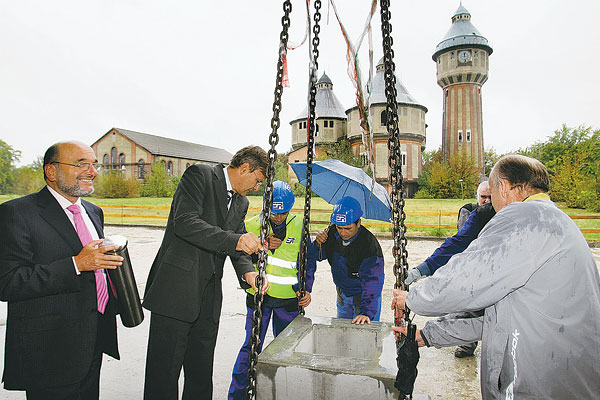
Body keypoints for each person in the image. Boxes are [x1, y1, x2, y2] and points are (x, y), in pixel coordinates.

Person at [393, 155, 600, 399]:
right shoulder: (556, 222)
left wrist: (412, 298)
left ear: (502, 186)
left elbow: (465, 279)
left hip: (537, 384)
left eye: (491, 193)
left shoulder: (522, 219)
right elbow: (499, 320)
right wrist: (428, 335)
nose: (490, 205)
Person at [143, 145, 270, 400]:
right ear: (245, 168)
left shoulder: (241, 202)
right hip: (175, 293)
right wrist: (235, 241)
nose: (256, 188)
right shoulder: (199, 176)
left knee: (201, 375)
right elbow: (186, 223)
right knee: (163, 375)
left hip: (208, 298)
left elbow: (236, 243)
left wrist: (248, 272)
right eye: (257, 180)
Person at [0, 141, 124, 399]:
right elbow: (8, 282)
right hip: (49, 350)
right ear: (51, 171)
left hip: (93, 340)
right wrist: (76, 264)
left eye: (94, 164)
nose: (92, 171)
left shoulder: (93, 211)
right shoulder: (16, 213)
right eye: (81, 164)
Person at [228, 180, 316, 399]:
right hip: (260, 299)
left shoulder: (300, 226)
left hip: (288, 300)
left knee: (288, 351)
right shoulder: (250, 226)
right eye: (273, 213)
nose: (277, 218)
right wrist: (262, 247)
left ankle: (286, 392)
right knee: (250, 348)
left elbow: (309, 262)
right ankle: (237, 395)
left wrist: (306, 289)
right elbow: (240, 261)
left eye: (282, 213)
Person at [404, 180, 495, 358]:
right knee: (467, 308)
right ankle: (466, 345)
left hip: (501, 276)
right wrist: (422, 270)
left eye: (491, 197)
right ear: (477, 197)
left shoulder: (510, 216)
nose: (487, 200)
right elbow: (456, 243)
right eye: (483, 197)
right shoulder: (476, 214)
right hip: (474, 272)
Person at [315, 196, 384, 325]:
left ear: (359, 223)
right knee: (342, 333)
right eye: (339, 228)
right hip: (343, 294)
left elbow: (373, 282)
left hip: (364, 296)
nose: (343, 233)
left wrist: (366, 312)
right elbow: (317, 256)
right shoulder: (331, 234)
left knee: (364, 337)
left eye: (348, 228)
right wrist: (317, 244)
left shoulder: (369, 246)